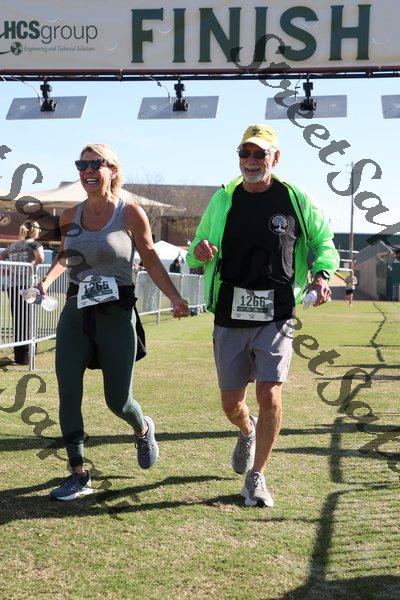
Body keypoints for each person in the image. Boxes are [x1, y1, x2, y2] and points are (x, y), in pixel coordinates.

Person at [187, 124, 339, 508]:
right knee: (230, 403)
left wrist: (322, 275)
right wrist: (199, 251)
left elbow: (324, 242)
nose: (251, 161)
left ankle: (256, 476)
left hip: (278, 312)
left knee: (269, 393)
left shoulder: (295, 198)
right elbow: (196, 248)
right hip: (230, 311)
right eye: (245, 153)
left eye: (259, 154)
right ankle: (246, 429)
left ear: (275, 158)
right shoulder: (223, 198)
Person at [37, 143, 190, 501]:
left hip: (116, 313)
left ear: (113, 170)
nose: (88, 170)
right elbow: (65, 256)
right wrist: (45, 281)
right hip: (76, 310)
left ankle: (142, 428)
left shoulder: (130, 213)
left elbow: (150, 258)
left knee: (117, 401)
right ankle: (78, 471)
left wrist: (175, 297)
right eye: (82, 164)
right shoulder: (69, 216)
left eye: (96, 164)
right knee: (68, 392)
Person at [0, 220, 44, 365]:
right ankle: (28, 356)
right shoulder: (34, 244)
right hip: (28, 285)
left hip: (13, 287)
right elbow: (40, 257)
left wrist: (10, 269)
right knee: (29, 319)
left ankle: (20, 357)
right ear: (35, 231)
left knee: (18, 320)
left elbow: (1, 257)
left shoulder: (13, 246)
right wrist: (30, 266)